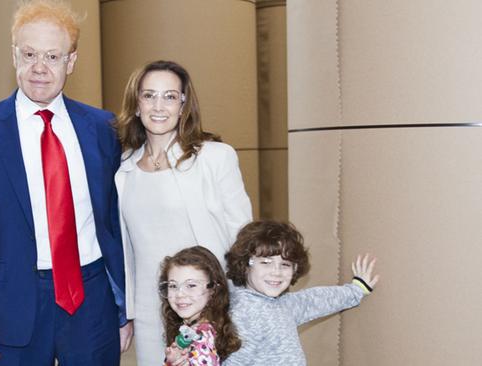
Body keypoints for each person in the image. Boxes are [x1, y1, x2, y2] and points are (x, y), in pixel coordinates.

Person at [0, 1, 132, 365]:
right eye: (29, 54)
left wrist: (124, 306)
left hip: (92, 298)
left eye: (52, 56)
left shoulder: (102, 128)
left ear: (71, 62)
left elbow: (115, 221)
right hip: (14, 302)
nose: (39, 68)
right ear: (13, 54)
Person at [115, 60, 252, 365]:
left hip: (208, 308)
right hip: (152, 309)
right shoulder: (122, 170)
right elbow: (128, 250)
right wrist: (128, 313)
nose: (159, 105)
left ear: (183, 105)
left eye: (170, 96)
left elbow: (242, 238)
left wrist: (241, 304)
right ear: (136, 105)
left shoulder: (215, 158)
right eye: (149, 96)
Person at [223, 220, 380, 366]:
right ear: (244, 265)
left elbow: (315, 299)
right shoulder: (242, 313)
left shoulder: (283, 304)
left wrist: (357, 289)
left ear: (295, 269)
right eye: (266, 262)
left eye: (285, 264)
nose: (276, 272)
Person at [158, 246, 241, 366]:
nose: (180, 294)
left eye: (191, 285)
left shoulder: (201, 337)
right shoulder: (197, 327)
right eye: (173, 286)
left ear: (213, 289)